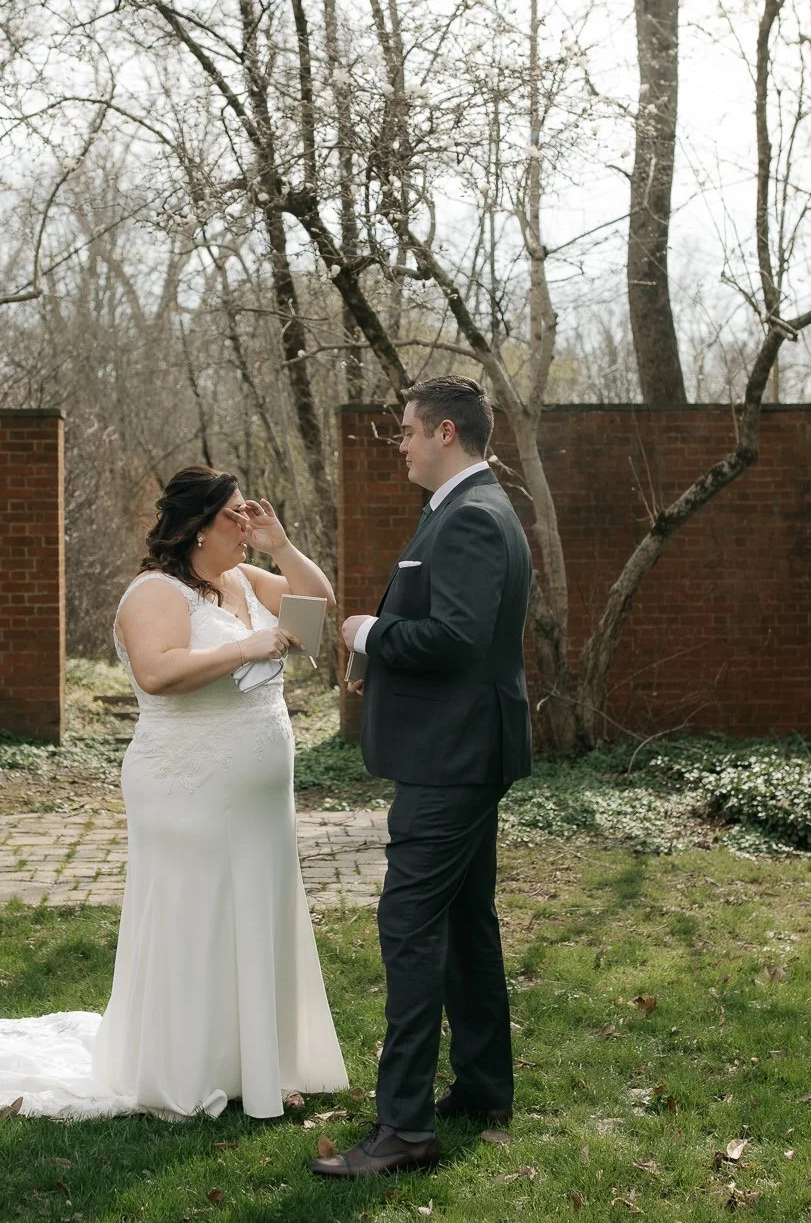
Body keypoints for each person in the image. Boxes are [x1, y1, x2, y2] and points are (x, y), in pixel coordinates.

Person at [0, 467, 348, 1121]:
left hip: (261, 789)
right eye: (236, 514)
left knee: (255, 912)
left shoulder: (241, 578)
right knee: (199, 914)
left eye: (249, 513)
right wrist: (247, 646)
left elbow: (317, 607)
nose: (247, 522)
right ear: (200, 525)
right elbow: (156, 672)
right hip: (189, 783)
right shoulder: (155, 591)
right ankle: (190, 1067)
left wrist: (281, 545)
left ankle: (254, 1062)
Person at [311, 375, 533, 1178]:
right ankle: (481, 1087)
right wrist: (387, 658)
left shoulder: (472, 516)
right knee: (468, 920)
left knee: (409, 927)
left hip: (451, 760)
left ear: (445, 431)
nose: (399, 444)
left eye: (406, 431)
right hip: (463, 747)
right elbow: (446, 633)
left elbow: (457, 638)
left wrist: (370, 631)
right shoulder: (465, 508)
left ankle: (403, 1129)